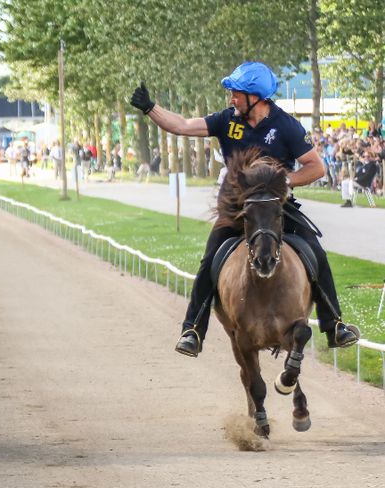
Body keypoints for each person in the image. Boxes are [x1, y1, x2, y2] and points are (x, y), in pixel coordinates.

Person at [130, 61, 359, 358]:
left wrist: (282, 182)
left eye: (236, 94)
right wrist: (151, 108)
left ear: (256, 97)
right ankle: (192, 330)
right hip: (236, 208)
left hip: (276, 207)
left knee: (317, 254)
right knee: (209, 261)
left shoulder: (286, 126)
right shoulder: (228, 121)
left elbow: (317, 167)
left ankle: (335, 325)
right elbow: (183, 126)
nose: (231, 99)